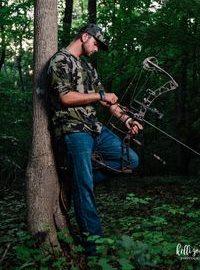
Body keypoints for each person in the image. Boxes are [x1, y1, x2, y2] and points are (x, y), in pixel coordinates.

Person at [48, 23, 143, 254]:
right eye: (96, 43)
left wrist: (127, 120)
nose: (96, 48)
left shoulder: (89, 68)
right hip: (73, 130)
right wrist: (100, 95)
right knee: (85, 187)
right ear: (84, 36)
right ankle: (95, 249)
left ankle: (73, 182)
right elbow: (65, 98)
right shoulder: (59, 61)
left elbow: (108, 102)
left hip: (95, 129)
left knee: (129, 159)